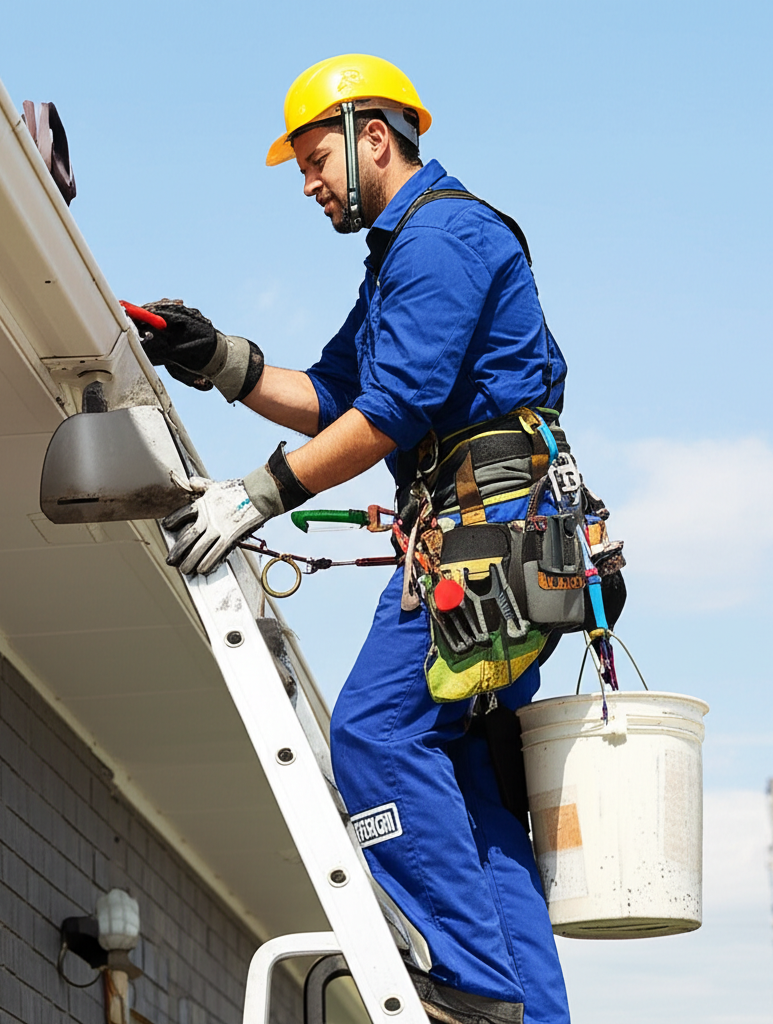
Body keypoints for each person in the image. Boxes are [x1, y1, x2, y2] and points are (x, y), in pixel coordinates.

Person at [142, 55, 572, 1024]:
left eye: (310, 160)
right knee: (468, 788)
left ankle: (468, 982)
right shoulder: (402, 254)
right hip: (495, 542)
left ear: (372, 134)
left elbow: (392, 409)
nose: (307, 184)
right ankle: (520, 1009)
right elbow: (333, 395)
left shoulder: (446, 236)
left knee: (377, 733)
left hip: (484, 540)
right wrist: (216, 359)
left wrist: (259, 495)